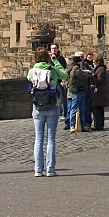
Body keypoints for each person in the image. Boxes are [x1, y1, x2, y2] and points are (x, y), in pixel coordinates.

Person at [28, 46, 68, 177]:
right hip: (52, 105)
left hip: (38, 106)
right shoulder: (52, 69)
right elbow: (65, 75)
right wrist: (55, 61)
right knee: (51, 139)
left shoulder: (32, 71)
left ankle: (38, 169)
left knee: (38, 138)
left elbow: (30, 79)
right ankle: (50, 169)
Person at [65, 51, 92, 132]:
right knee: (75, 108)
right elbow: (80, 76)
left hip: (79, 90)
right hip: (77, 90)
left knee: (81, 108)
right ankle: (72, 125)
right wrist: (87, 75)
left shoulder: (72, 67)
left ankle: (81, 125)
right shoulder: (76, 68)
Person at [90, 55, 109, 131]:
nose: (93, 64)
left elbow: (99, 80)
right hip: (99, 92)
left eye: (94, 62)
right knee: (98, 110)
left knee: (97, 110)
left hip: (99, 93)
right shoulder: (100, 69)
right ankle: (98, 125)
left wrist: (91, 77)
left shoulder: (101, 69)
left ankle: (98, 126)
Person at [48, 43, 69, 126]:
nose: (53, 50)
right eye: (52, 48)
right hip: (52, 81)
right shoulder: (48, 59)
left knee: (62, 98)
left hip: (59, 80)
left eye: (55, 48)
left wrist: (63, 80)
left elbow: (64, 69)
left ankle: (64, 114)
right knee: (52, 97)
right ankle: (55, 113)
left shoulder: (60, 58)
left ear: (57, 49)